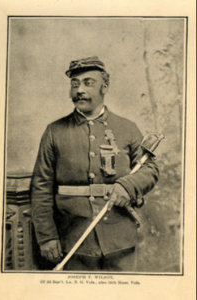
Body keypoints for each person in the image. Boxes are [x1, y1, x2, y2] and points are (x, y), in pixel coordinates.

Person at [31, 56, 159, 271]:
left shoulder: (127, 128)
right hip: (72, 239)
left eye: (88, 83)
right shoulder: (54, 131)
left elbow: (150, 169)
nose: (79, 90)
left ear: (105, 86)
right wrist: (46, 237)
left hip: (120, 239)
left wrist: (127, 185)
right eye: (75, 84)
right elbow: (41, 187)